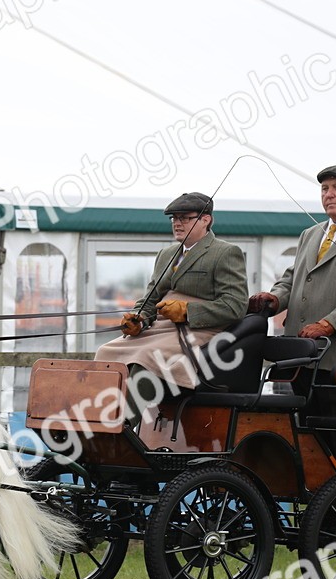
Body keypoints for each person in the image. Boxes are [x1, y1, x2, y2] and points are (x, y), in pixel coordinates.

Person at [248, 165, 336, 455]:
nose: (329, 194)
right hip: (300, 356)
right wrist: (275, 299)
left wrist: (328, 324)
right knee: (307, 440)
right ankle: (316, 500)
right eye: (324, 188)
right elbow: (292, 278)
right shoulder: (310, 235)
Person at [95, 192, 248, 448]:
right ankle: (96, 420)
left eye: (185, 218)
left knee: (146, 357)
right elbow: (150, 298)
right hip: (162, 328)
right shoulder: (166, 254)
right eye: (174, 219)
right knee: (107, 351)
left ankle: (117, 431)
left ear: (205, 220)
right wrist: (140, 318)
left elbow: (235, 306)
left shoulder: (225, 252)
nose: (177, 223)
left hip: (201, 331)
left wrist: (187, 311)